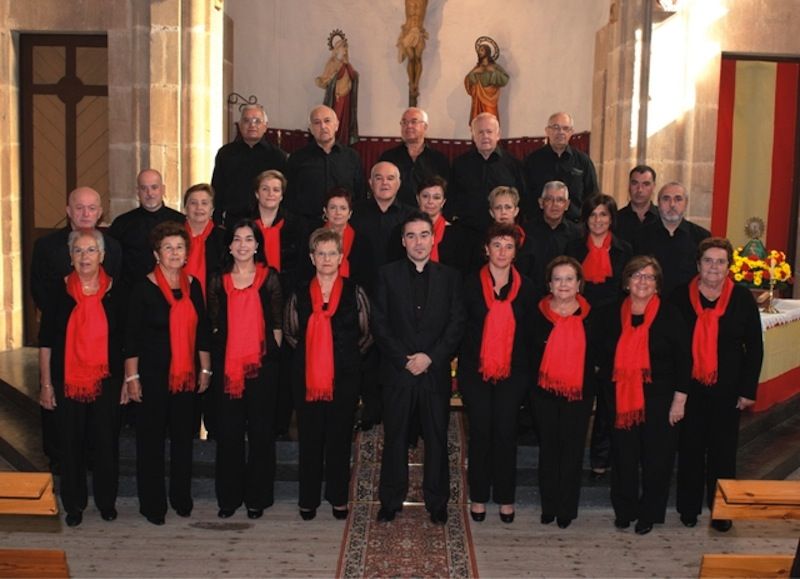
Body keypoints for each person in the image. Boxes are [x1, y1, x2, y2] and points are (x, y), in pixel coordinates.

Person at [372, 212, 466, 525]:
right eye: (411, 236)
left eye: (424, 234)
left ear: (433, 237)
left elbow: (456, 324)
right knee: (395, 436)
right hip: (398, 372)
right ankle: (390, 500)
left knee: (437, 438)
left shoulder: (450, 276)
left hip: (434, 371)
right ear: (402, 241)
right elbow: (380, 323)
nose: (418, 242)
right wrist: (404, 359)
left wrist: (431, 357)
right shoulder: (386, 275)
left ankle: (437, 501)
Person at [671, 237, 763, 533]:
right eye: (708, 261)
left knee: (724, 452)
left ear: (729, 267)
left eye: (720, 261)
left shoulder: (742, 299)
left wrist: (748, 390)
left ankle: (722, 510)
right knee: (690, 450)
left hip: (728, 390)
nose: (713, 267)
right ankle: (688, 508)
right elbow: (672, 346)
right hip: (690, 388)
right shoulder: (679, 297)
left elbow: (755, 348)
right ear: (698, 264)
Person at [123, 221, 211, 525]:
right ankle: (153, 504)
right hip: (151, 376)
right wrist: (132, 378)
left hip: (187, 375)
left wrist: (205, 368)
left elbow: (202, 332)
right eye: (168, 248)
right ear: (156, 254)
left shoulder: (194, 285)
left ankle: (181, 497)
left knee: (184, 440)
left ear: (187, 253)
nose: (174, 252)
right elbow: (130, 337)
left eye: (179, 247)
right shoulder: (142, 288)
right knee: (151, 442)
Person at [30, 186, 122, 474]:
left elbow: (115, 293)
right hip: (62, 339)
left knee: (100, 420)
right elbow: (39, 289)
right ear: (68, 210)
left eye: (91, 208)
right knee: (60, 416)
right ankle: (60, 464)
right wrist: (69, 319)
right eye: (79, 207)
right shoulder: (46, 246)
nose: (85, 213)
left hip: (100, 345)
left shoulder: (113, 247)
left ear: (100, 212)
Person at [284, 228, 372, 520]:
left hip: (344, 376)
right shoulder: (299, 292)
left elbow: (366, 333)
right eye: (320, 253)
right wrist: (315, 357)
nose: (326, 258)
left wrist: (341, 357)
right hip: (306, 376)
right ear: (312, 257)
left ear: (341, 257)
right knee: (309, 438)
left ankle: (337, 498)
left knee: (339, 437)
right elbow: (291, 333)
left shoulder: (354, 290)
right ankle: (307, 499)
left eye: (332, 253)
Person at [38, 230, 121, 527]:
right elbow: (46, 343)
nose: (85, 257)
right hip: (67, 380)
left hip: (107, 380)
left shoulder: (116, 292)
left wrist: (128, 380)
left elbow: (126, 344)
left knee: (105, 443)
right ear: (70, 257)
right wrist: (46, 385)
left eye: (90, 251)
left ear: (102, 255)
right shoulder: (57, 295)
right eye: (78, 251)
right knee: (70, 444)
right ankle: (73, 505)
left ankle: (106, 502)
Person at [459, 224, 537, 524]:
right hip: (475, 371)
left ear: (515, 252)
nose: (502, 251)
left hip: (513, 373)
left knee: (506, 434)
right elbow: (461, 327)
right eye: (497, 245)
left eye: (508, 246)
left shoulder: (528, 288)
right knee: (479, 434)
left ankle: (505, 497)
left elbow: (530, 334)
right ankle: (478, 496)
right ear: (486, 249)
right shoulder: (467, 284)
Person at [207, 220, 283, 520]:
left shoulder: (270, 278)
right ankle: (228, 498)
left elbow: (277, 325)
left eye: (248, 239)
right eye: (236, 239)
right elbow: (214, 326)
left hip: (262, 368)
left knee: (262, 433)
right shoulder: (217, 280)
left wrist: (264, 361)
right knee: (229, 434)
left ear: (257, 244)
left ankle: (257, 498)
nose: (242, 245)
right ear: (229, 245)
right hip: (227, 368)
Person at [610, 256, 690, 535]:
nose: (642, 281)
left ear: (657, 285)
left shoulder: (670, 315)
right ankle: (624, 509)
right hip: (622, 399)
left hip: (660, 399)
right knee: (623, 457)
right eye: (636, 276)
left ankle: (649, 513)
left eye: (649, 277)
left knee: (657, 459)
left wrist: (680, 400)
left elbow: (684, 359)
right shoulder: (611, 313)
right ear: (626, 282)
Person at [565, 194, 632, 480]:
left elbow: (628, 292)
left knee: (608, 399)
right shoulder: (572, 248)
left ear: (611, 218)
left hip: (613, 332)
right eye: (593, 215)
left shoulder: (624, 250)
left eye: (604, 215)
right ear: (586, 218)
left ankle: (600, 458)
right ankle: (569, 457)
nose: (598, 220)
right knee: (577, 396)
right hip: (577, 328)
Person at [532, 256, 595, 529]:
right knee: (548, 449)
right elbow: (525, 353)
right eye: (558, 279)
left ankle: (567, 508)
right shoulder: (536, 314)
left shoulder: (593, 317)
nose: (564, 284)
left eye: (569, 279)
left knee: (572, 451)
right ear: (549, 284)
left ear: (579, 284)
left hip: (579, 394)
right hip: (543, 393)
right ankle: (549, 506)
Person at [350, 161, 413, 430]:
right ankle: (370, 409)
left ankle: (398, 413)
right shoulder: (356, 215)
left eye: (390, 178)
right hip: (362, 294)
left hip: (399, 296)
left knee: (396, 353)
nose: (384, 183)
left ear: (399, 183)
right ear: (370, 183)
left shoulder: (410, 216)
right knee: (366, 354)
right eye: (378, 178)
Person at [251, 169, 309, 437]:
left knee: (285, 363)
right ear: (256, 193)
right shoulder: (246, 227)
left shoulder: (297, 226)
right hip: (252, 303)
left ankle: (282, 423)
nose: (270, 194)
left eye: (276, 189)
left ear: (282, 194)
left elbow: (302, 270)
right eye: (265, 189)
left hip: (287, 303)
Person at [109, 169, 186, 318]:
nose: (149, 193)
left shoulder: (180, 221)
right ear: (137, 191)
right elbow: (113, 261)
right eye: (144, 188)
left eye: (154, 187)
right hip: (131, 297)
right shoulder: (122, 223)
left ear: (163, 189)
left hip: (170, 294)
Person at [285, 105, 365, 225]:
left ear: (336, 125)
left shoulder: (352, 157)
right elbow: (289, 197)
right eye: (317, 123)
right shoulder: (297, 158)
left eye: (327, 121)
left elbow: (360, 194)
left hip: (343, 227)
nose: (323, 126)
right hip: (306, 227)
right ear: (310, 129)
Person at [210, 104, 288, 228]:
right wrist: (217, 219)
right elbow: (217, 189)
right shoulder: (226, 154)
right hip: (233, 220)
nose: (252, 125)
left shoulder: (278, 156)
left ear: (265, 126)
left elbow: (285, 193)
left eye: (257, 121)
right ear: (240, 125)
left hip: (267, 222)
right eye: (247, 121)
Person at [449, 113, 526, 232]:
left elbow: (523, 200)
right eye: (480, 132)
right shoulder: (460, 165)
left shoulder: (514, 165)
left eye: (489, 131)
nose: (485, 136)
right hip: (468, 233)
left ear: (498, 135)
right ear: (473, 136)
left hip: (504, 234)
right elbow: (451, 198)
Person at [633, 181, 710, 297]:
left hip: (690, 304)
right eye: (666, 199)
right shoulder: (641, 235)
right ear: (658, 203)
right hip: (651, 302)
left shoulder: (702, 237)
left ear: (686, 203)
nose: (672, 204)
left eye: (678, 199)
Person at [524, 112, 599, 222]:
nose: (561, 132)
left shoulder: (583, 161)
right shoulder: (532, 161)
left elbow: (592, 197)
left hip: (575, 229)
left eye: (565, 128)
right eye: (556, 127)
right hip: (539, 229)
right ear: (547, 131)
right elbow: (525, 196)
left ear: (571, 132)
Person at [378, 108, 449, 207]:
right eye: (404, 122)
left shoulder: (439, 160)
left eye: (414, 122)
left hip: (427, 216)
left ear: (425, 127)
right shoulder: (388, 157)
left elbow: (446, 192)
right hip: (394, 216)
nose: (409, 126)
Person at [524, 181, 581, 291]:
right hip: (532, 295)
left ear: (567, 205)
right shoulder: (525, 232)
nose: (554, 204)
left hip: (565, 294)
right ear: (541, 203)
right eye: (549, 199)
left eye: (560, 200)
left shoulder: (577, 233)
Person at [415, 176, 472, 275]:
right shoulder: (405, 231)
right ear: (417, 198)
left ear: (443, 202)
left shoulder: (458, 235)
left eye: (436, 197)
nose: (430, 202)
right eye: (425, 196)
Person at [322, 187, 374, 294]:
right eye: (333, 208)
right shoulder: (313, 238)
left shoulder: (362, 241)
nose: (338, 212)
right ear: (325, 212)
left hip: (352, 297)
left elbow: (367, 278)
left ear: (350, 213)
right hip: (318, 293)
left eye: (343, 208)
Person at [182, 184, 226, 301]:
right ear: (185, 208)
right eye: (193, 203)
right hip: (177, 303)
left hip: (215, 304)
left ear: (212, 209)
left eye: (204, 203)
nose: (199, 207)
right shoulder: (174, 236)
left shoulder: (224, 238)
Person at [316, 31, 359, 145]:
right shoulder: (332, 63)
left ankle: (343, 142)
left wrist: (353, 73)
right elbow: (327, 79)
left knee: (344, 122)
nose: (344, 51)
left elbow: (353, 76)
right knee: (334, 120)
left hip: (347, 97)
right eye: (342, 49)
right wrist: (329, 78)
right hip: (336, 97)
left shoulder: (347, 65)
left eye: (345, 49)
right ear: (337, 49)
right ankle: (333, 142)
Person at [487, 186, 535, 278]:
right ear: (491, 213)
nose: (503, 212)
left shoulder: (529, 243)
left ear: (516, 211)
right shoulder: (483, 241)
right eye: (498, 208)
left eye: (508, 207)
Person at [464, 37, 510, 125]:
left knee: (491, 121)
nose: (479, 52)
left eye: (482, 50)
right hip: (478, 100)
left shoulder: (494, 67)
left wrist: (493, 71)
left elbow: (505, 78)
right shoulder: (477, 68)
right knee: (478, 122)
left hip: (490, 99)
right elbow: (468, 80)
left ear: (487, 52)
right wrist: (474, 73)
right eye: (479, 50)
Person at [615, 165, 659, 246]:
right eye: (635, 183)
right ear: (629, 186)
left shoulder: (663, 219)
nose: (639, 190)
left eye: (646, 184)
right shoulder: (616, 220)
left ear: (654, 186)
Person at [397, 0, 428, 105]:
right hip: (408, 31)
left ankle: (415, 83)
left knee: (417, 58)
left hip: (418, 32)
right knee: (411, 58)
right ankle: (411, 83)